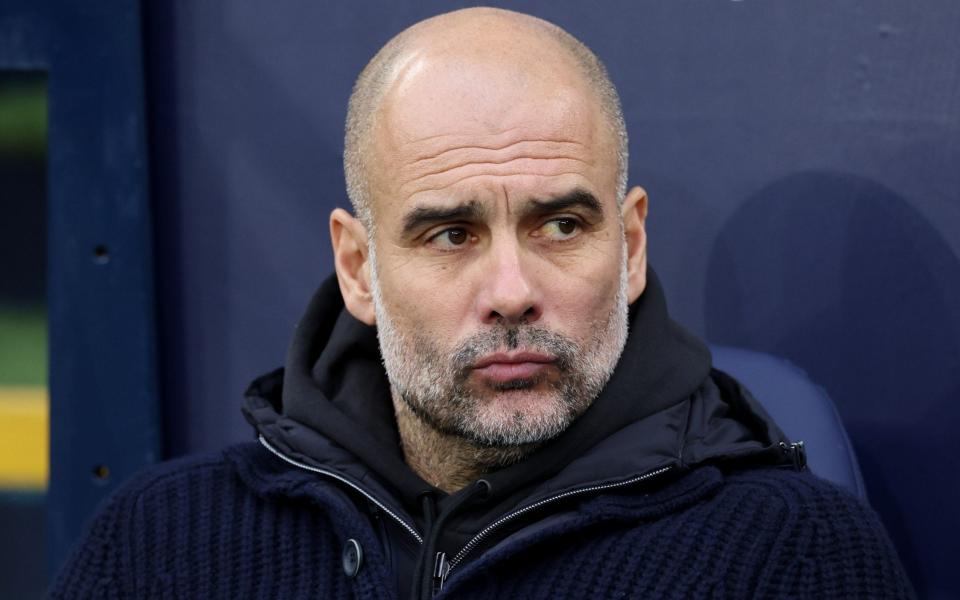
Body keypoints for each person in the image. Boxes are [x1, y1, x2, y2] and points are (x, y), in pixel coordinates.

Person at [51, 7, 914, 599]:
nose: (512, 293)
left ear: (633, 246)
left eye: (562, 224)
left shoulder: (792, 555)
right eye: (450, 235)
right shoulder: (161, 544)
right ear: (358, 269)